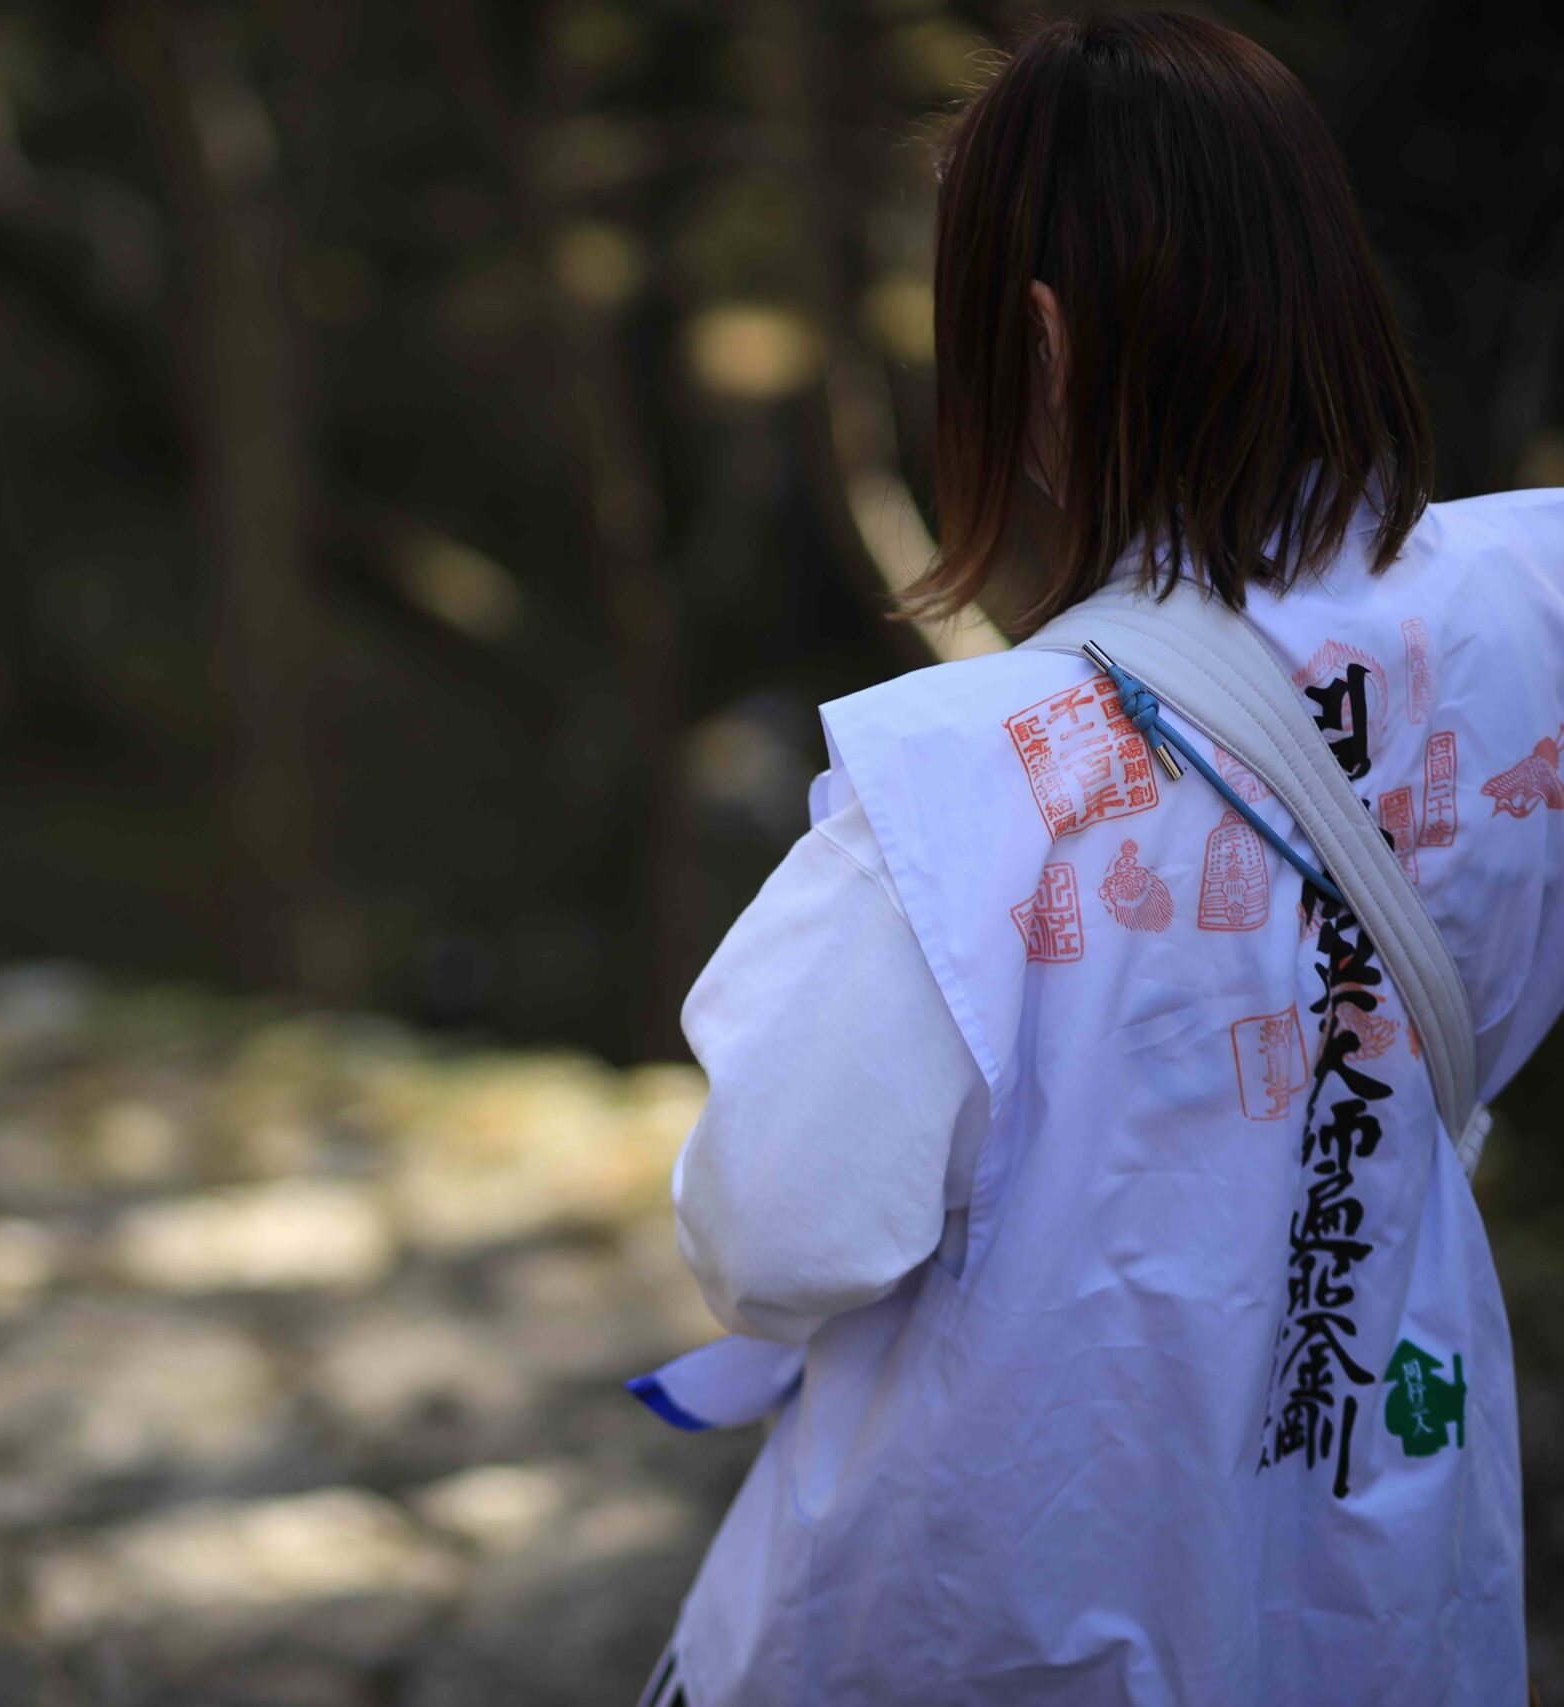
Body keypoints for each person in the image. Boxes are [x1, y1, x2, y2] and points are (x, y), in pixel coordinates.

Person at [637, 13, 1564, 1705]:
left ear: (1045, 346)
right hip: (1386, 1556)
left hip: (1020, 1603)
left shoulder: (969, 786)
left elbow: (777, 1234)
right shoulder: (1536, 612)